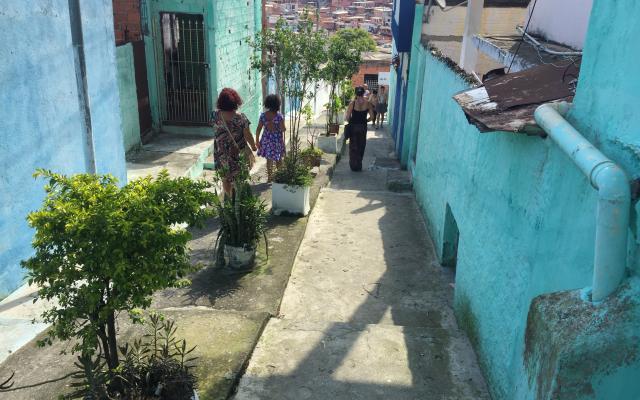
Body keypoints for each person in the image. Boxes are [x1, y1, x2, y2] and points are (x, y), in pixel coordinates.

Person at [210, 88, 258, 195]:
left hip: (221, 153)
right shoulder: (240, 118)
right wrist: (253, 146)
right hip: (238, 153)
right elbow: (248, 135)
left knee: (225, 178)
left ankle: (229, 198)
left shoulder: (214, 116)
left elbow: (215, 130)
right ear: (235, 102)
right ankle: (237, 199)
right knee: (239, 178)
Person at [255, 94, 286, 182]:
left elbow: (258, 129)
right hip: (277, 141)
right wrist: (277, 126)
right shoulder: (279, 116)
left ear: (267, 104)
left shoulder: (263, 116)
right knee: (278, 159)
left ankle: (270, 177)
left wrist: (257, 141)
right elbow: (283, 129)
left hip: (267, 141)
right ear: (277, 104)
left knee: (269, 159)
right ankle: (280, 177)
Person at [345, 86, 374, 172]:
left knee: (353, 146)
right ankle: (359, 164)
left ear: (356, 93)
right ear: (363, 93)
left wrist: (352, 121)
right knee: (361, 145)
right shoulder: (368, 103)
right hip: (363, 127)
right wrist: (365, 121)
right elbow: (372, 117)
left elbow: (347, 117)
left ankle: (354, 166)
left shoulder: (352, 104)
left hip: (354, 127)